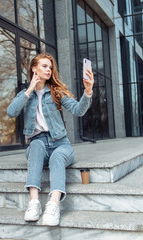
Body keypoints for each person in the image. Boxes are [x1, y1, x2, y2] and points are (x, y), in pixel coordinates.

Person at [7, 52, 94, 226]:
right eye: (44, 66)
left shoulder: (56, 92)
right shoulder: (26, 94)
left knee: (56, 157)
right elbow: (11, 112)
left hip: (60, 144)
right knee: (37, 144)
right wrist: (30, 90)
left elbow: (78, 110)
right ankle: (34, 203)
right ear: (34, 69)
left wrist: (88, 91)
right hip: (38, 143)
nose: (49, 70)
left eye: (50, 67)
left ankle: (53, 205)